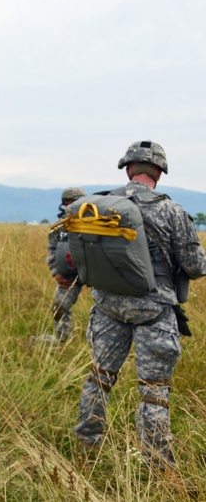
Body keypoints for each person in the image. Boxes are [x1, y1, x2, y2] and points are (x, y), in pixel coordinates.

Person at [74, 141, 206, 470]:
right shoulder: (172, 212)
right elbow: (195, 266)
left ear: (128, 168)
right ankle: (157, 467)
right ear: (159, 172)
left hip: (107, 308)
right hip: (155, 312)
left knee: (99, 379)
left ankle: (86, 448)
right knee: (153, 391)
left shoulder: (103, 204)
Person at [39, 187, 86, 344]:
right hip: (68, 274)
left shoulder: (96, 225)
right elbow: (52, 250)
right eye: (67, 203)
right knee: (59, 305)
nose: (70, 207)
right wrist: (56, 273)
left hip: (96, 275)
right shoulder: (59, 227)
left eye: (74, 203)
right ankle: (62, 340)